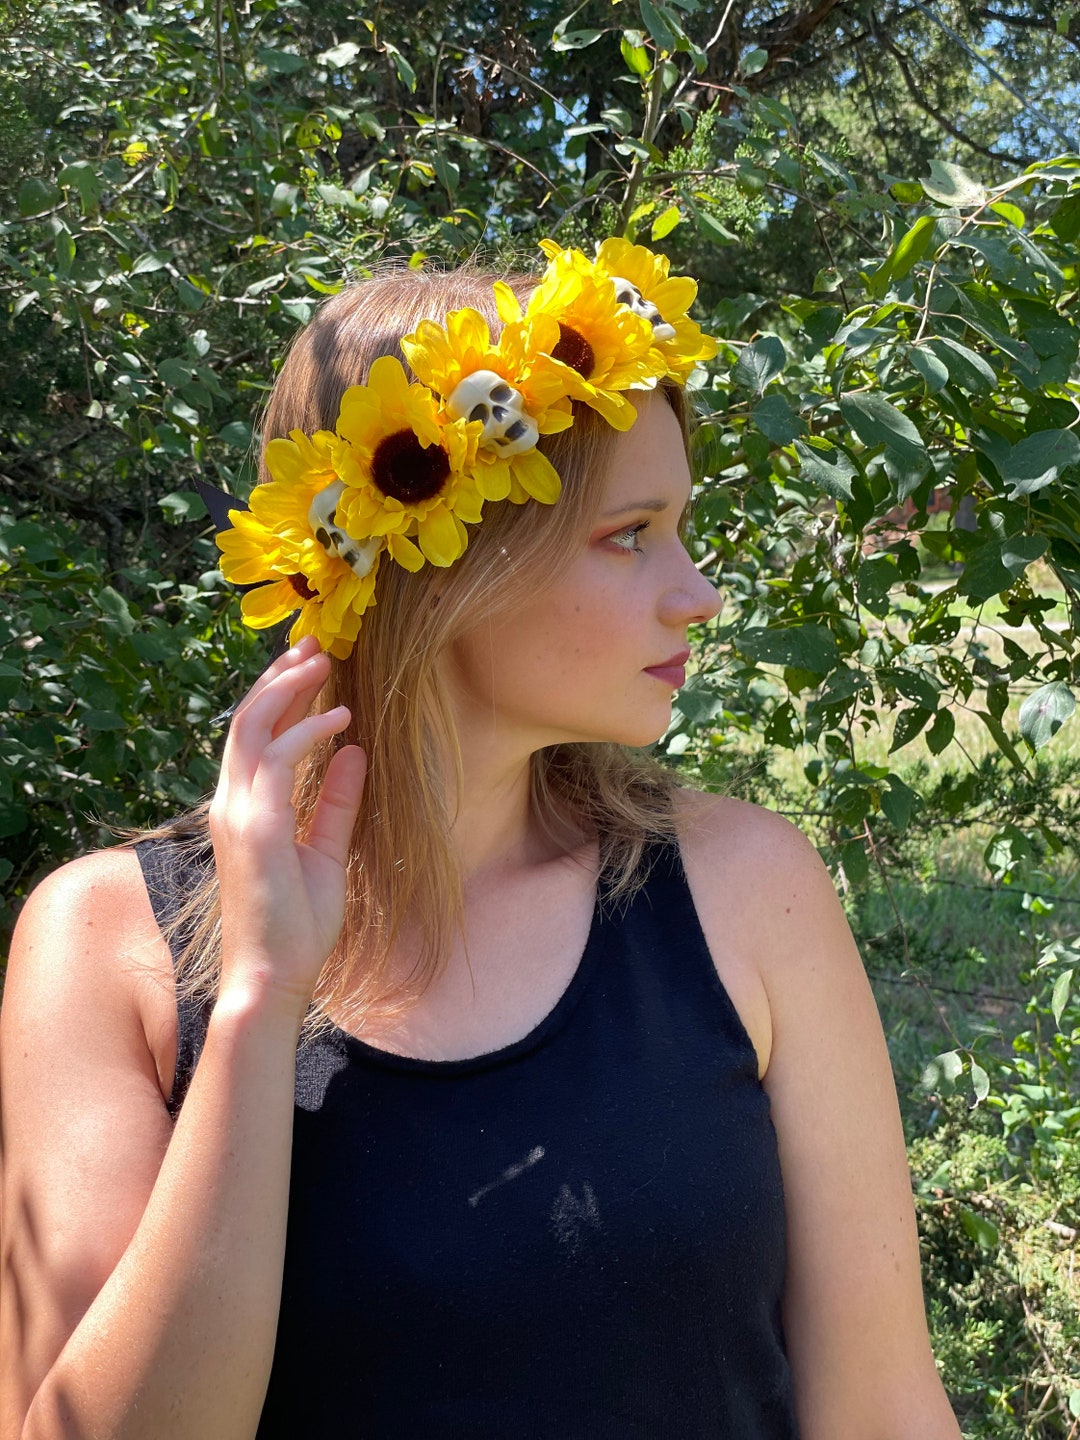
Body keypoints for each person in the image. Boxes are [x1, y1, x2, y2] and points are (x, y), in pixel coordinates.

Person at [0, 242, 961, 1439]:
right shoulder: (110, 947)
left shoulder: (745, 893)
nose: (699, 592)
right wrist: (256, 998)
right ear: (438, 558)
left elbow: (879, 1408)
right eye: (632, 534)